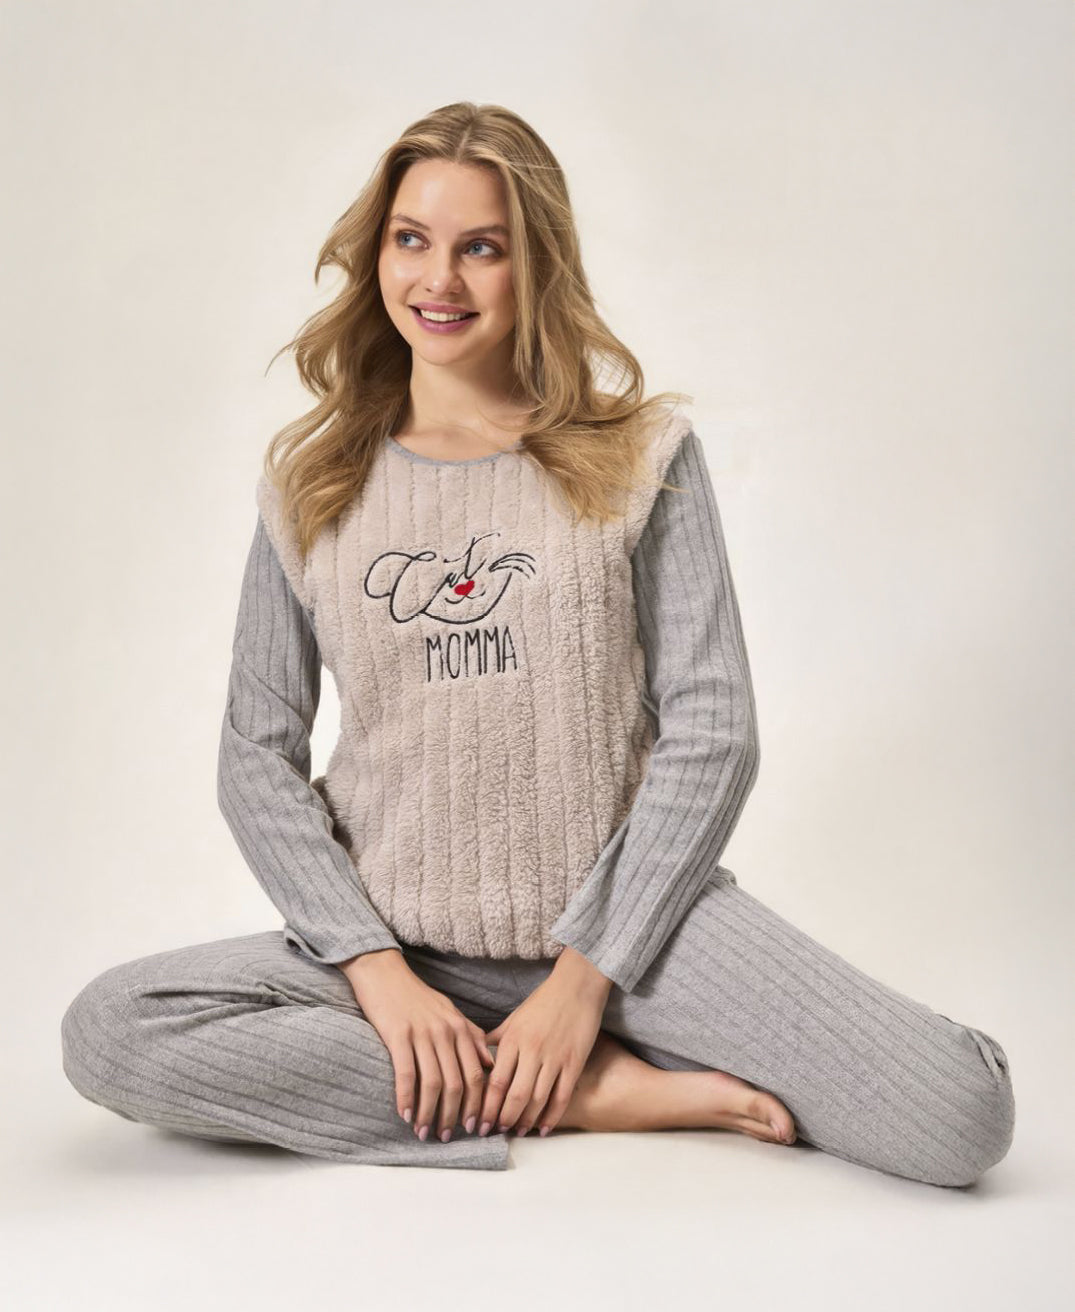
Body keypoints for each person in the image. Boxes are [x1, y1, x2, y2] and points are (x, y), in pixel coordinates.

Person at [60, 101, 1015, 1184]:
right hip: (400, 947)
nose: (439, 280)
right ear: (377, 253)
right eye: (411, 239)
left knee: (959, 1111)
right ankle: (585, 1095)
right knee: (112, 1030)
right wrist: (375, 970)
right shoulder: (313, 482)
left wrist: (581, 982)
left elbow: (714, 730)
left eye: (482, 248)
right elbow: (253, 756)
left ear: (537, 264)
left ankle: (546, 1058)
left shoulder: (637, 454)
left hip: (633, 936)